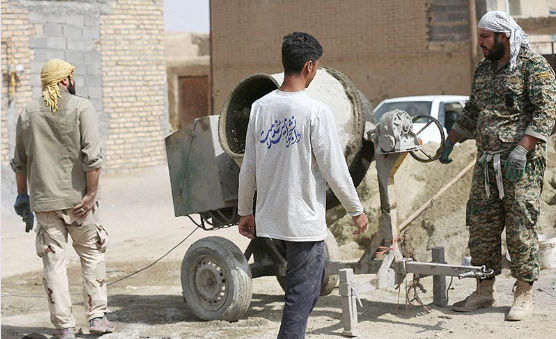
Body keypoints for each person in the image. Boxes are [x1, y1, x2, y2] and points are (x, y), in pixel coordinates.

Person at [237, 32, 368, 338]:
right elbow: (335, 169)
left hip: (271, 219)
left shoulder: (260, 108)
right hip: (302, 221)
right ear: (310, 67)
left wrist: (245, 211)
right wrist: (356, 210)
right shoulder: (315, 111)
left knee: (309, 285)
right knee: (300, 296)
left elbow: (249, 168)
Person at [440, 11, 556, 321]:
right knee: (482, 227)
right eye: (479, 37)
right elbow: (472, 111)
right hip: (486, 165)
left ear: (503, 37)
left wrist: (521, 149)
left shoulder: (533, 66)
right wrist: (450, 140)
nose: (479, 43)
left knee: (520, 229)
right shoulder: (483, 70)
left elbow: (546, 113)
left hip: (522, 167)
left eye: (484, 38)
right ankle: (484, 290)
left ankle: (523, 292)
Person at [11, 59, 114, 339]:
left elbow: (20, 163)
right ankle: (96, 319)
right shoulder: (82, 107)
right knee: (92, 255)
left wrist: (22, 196)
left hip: (45, 205)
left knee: (53, 264)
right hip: (79, 203)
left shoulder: (27, 113)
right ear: (65, 80)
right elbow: (93, 157)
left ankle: (65, 328)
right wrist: (91, 195)